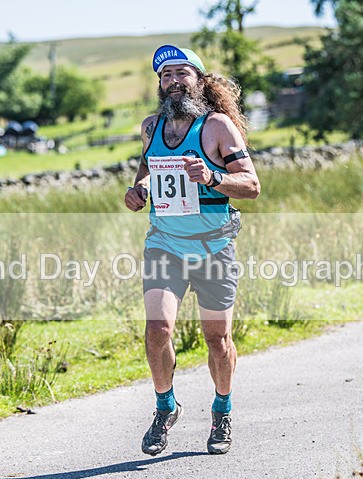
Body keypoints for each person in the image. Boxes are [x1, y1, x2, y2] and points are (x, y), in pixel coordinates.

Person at [124, 45, 260, 455]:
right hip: (164, 244)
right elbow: (148, 172)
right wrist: (138, 191)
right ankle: (165, 407)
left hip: (214, 246)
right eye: (166, 76)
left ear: (200, 81)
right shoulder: (152, 127)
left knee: (217, 339)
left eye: (182, 73)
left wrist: (213, 176)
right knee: (157, 330)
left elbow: (252, 186)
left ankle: (222, 411)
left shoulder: (217, 127)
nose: (173, 81)